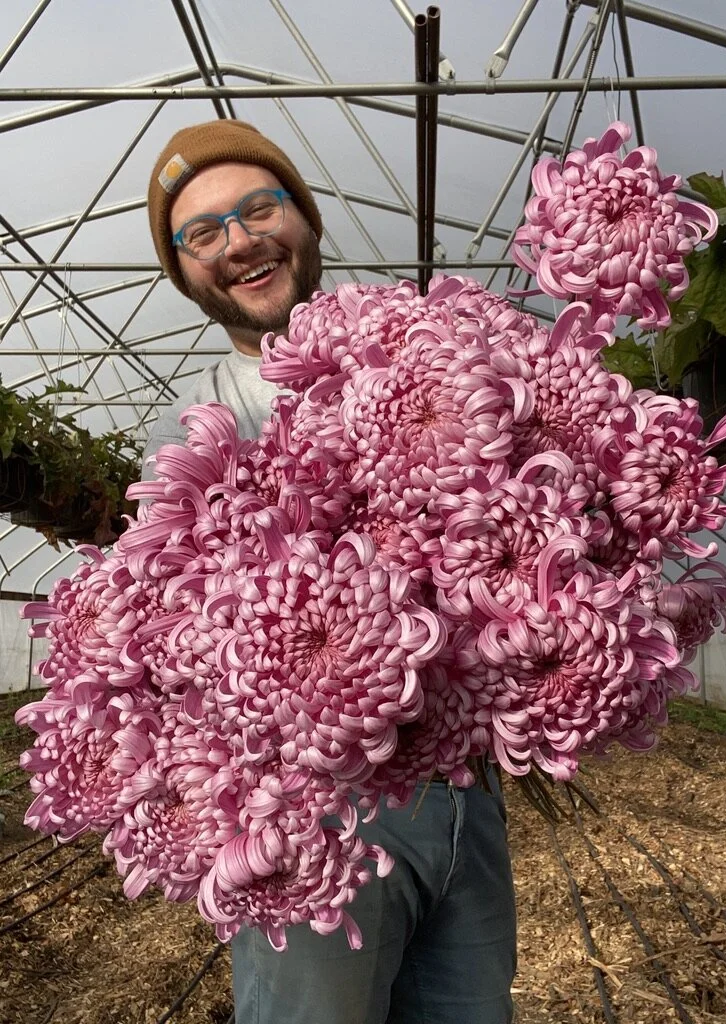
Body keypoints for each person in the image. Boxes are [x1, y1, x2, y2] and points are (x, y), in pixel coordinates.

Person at [144, 119, 517, 1024]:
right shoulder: (189, 445)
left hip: (469, 797)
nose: (238, 242)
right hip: (318, 821)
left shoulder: (424, 360)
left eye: (259, 207)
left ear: (305, 220)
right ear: (187, 272)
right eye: (201, 232)